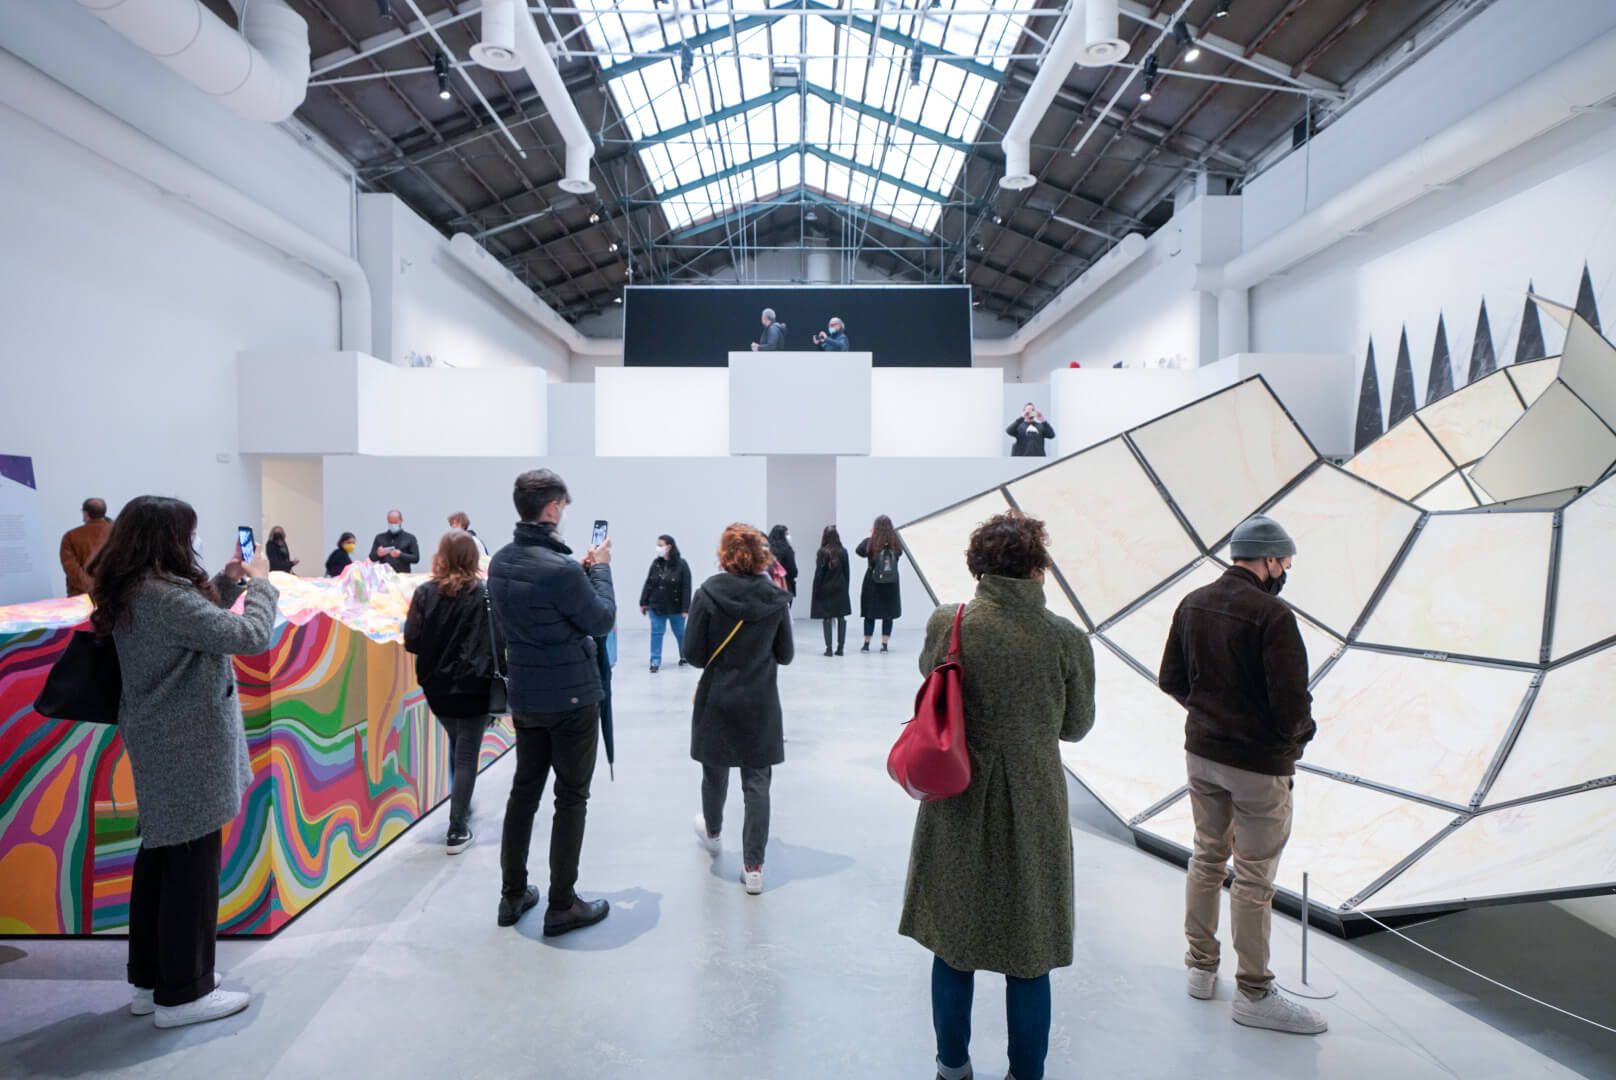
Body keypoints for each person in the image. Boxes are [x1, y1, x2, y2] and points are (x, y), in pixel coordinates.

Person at [902, 511, 1094, 1080]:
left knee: (953, 942)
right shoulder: (1065, 638)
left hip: (958, 792)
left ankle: (951, 1067)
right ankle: (1025, 1073)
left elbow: (931, 678)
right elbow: (1076, 726)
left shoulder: (950, 623)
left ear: (978, 566)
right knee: (1030, 953)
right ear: (1038, 567)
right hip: (1034, 798)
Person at [88, 496, 277, 1029]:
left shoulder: (137, 588)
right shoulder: (162, 596)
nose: (192, 542)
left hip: (165, 739)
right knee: (191, 871)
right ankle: (185, 993)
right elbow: (248, 636)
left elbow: (199, 623)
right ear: (166, 538)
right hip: (186, 744)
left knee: (162, 861)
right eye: (188, 534)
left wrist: (229, 582)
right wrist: (262, 584)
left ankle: (153, 982)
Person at [1157, 515, 1326, 1036]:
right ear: (1269, 560)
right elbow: (1291, 705)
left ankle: (1200, 969)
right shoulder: (1274, 616)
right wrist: (1294, 741)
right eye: (1285, 562)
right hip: (1257, 767)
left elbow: (1171, 678)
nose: (1285, 571)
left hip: (1202, 755)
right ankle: (1253, 992)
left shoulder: (1192, 603)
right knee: (1254, 878)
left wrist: (1209, 715)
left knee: (1206, 858)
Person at [488, 469, 615, 934]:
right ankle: (562, 905)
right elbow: (601, 620)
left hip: (526, 695)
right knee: (571, 797)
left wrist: (579, 574)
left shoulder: (501, 562)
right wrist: (601, 569)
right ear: (553, 508)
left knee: (524, 793)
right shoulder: (561, 570)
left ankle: (512, 894)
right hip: (572, 697)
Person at [687, 524, 794, 895]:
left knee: (714, 772)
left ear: (725, 553)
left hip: (717, 699)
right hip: (760, 702)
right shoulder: (776, 599)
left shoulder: (707, 593)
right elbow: (785, 654)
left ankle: (714, 832)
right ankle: (754, 868)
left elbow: (694, 655)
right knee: (757, 783)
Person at [404, 530, 506, 855]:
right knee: (466, 754)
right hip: (476, 685)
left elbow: (412, 641)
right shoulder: (485, 594)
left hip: (437, 688)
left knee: (456, 742)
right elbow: (499, 639)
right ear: (473, 557)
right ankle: (457, 828)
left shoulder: (424, 593)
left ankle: (462, 807)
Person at [639, 534, 692, 674]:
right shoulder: (656, 564)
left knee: (680, 633)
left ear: (669, 546)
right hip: (657, 605)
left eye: (660, 545)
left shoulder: (682, 565)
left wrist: (685, 608)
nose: (658, 548)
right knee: (656, 633)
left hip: (676, 607)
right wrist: (643, 602)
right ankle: (655, 661)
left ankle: (684, 655)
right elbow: (649, 583)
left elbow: (686, 587)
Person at [855, 514, 903, 653]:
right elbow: (900, 554)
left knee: (870, 614)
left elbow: (859, 551)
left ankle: (866, 644)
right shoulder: (895, 543)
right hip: (891, 583)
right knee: (888, 614)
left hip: (872, 582)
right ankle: (884, 644)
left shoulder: (871, 543)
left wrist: (871, 537)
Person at [810, 525, 851, 657]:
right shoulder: (843, 551)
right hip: (841, 588)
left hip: (826, 588)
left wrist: (816, 589)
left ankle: (829, 649)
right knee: (841, 617)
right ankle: (841, 648)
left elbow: (819, 574)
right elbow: (847, 572)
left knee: (827, 618)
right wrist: (846, 587)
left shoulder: (822, 552)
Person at [59, 497, 113, 597]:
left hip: (82, 596)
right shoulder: (117, 532)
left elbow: (71, 569)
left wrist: (91, 587)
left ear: (85, 513)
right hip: (113, 593)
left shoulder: (71, 536)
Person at [766, 525, 798, 599]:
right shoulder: (788, 550)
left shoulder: (768, 549)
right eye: (787, 534)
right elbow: (793, 572)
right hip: (786, 585)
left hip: (769, 585)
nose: (789, 536)